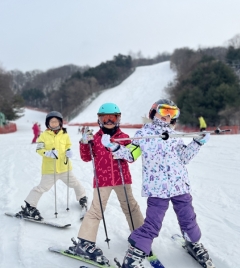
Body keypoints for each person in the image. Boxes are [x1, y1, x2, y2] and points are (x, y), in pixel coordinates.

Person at [101, 99, 211, 268]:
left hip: (179, 186)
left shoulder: (175, 135)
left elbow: (184, 157)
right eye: (164, 111)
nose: (167, 116)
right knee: (153, 224)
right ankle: (134, 254)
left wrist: (197, 143)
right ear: (154, 112)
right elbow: (131, 155)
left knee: (188, 219)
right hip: (157, 189)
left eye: (172, 113)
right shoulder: (144, 135)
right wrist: (113, 147)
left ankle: (193, 242)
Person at [67, 103, 144, 263]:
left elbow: (131, 157)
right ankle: (84, 242)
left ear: (118, 119)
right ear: (99, 120)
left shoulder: (124, 137)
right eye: (105, 118)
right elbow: (87, 157)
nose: (109, 121)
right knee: (96, 209)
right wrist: (84, 142)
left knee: (130, 206)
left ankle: (141, 237)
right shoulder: (95, 138)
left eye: (112, 117)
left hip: (122, 178)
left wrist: (120, 148)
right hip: (103, 180)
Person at [18, 111, 87, 221]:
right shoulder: (43, 136)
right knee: (42, 187)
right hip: (50, 169)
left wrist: (68, 150)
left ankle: (83, 198)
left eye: (56, 121)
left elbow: (68, 145)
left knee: (76, 183)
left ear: (60, 123)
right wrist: (47, 153)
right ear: (47, 123)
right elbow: (39, 149)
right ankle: (29, 206)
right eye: (52, 122)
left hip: (65, 168)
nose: (54, 124)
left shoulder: (64, 134)